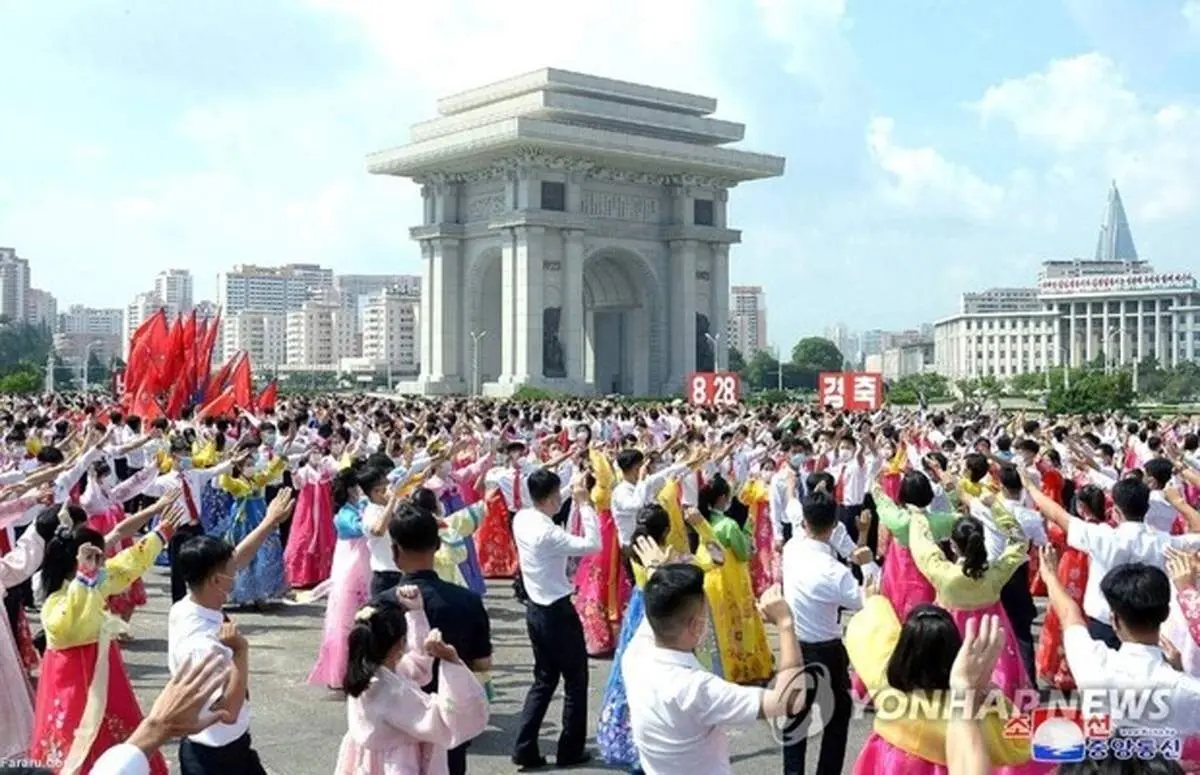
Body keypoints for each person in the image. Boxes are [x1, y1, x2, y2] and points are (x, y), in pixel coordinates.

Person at [29, 509, 184, 774]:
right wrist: (84, 579)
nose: (101, 562)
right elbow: (66, 625)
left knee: (114, 719)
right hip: (71, 677)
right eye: (94, 557)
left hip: (102, 665)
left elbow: (128, 563)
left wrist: (160, 535)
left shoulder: (96, 580)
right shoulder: (54, 597)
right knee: (72, 727)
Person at [621, 567, 806, 775]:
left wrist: (659, 571)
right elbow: (789, 701)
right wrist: (785, 624)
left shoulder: (635, 654)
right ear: (696, 627)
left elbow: (660, 608)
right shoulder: (697, 688)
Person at [168, 489, 295, 774]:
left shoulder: (188, 603)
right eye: (230, 571)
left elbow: (239, 556)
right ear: (216, 579)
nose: (236, 572)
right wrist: (241, 651)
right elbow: (228, 711)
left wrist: (269, 522)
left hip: (228, 746)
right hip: (216, 755)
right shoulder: (202, 642)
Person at [375, 499, 493, 775]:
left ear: (394, 551)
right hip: (448, 717)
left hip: (397, 722)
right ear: (438, 545)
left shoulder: (379, 605)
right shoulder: (468, 601)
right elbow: (483, 663)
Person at [333, 587, 489, 774]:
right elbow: (446, 719)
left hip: (370, 764)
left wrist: (416, 613)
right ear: (399, 644)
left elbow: (417, 665)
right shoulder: (394, 692)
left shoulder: (370, 676)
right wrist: (452, 661)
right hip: (396, 766)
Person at [511, 468, 600, 770]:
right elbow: (592, 544)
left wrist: (570, 487)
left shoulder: (523, 517)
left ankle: (524, 748)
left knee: (544, 680)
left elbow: (547, 501)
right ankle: (570, 750)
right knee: (575, 681)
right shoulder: (549, 533)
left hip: (536, 610)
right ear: (549, 498)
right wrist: (585, 504)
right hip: (557, 613)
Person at [780, 486, 861, 775]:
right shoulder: (835, 571)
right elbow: (862, 599)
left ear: (804, 523)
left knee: (795, 722)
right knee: (837, 720)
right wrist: (863, 560)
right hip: (827, 650)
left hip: (795, 648)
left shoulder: (791, 550)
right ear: (835, 524)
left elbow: (793, 511)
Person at [308, 468, 372, 689]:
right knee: (344, 622)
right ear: (350, 489)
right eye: (356, 486)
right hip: (349, 571)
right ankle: (341, 671)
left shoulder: (359, 507)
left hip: (363, 569)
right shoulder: (343, 515)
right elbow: (361, 528)